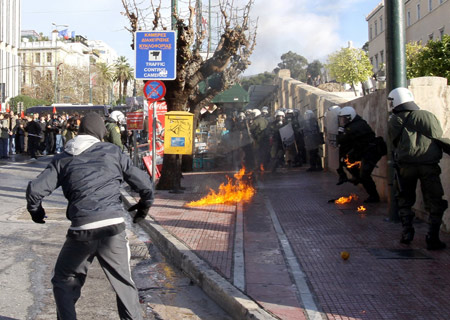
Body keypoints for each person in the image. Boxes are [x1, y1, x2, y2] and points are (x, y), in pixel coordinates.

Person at [26, 112, 153, 319]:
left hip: (81, 230)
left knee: (63, 280)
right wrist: (143, 208)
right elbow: (145, 185)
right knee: (123, 283)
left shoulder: (64, 157)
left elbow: (35, 191)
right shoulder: (114, 152)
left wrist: (36, 212)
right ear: (100, 133)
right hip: (113, 228)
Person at [387, 87, 448, 250]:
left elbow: (393, 142)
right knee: (435, 200)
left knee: (405, 199)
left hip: (406, 166)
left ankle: (407, 232)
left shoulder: (394, 120)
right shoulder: (427, 115)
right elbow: (437, 134)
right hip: (429, 166)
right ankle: (432, 237)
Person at [337, 106, 383, 203]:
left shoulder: (356, 126)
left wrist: (341, 132)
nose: (343, 121)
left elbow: (343, 139)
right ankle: (358, 178)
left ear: (350, 117)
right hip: (363, 151)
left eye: (345, 118)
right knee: (348, 163)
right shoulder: (353, 125)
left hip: (371, 152)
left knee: (365, 174)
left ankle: (374, 196)